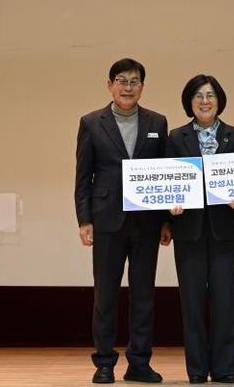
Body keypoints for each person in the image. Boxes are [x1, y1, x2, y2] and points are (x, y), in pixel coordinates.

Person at [74, 58, 168, 384]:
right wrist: (84, 219)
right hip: (106, 221)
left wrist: (166, 221)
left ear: (142, 86)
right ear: (110, 85)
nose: (128, 87)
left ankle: (139, 363)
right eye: (122, 81)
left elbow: (164, 174)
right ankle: (104, 363)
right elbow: (83, 176)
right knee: (106, 296)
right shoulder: (91, 123)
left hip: (147, 223)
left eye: (134, 81)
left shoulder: (157, 122)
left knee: (143, 297)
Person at [160, 74, 234, 384]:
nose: (205, 101)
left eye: (210, 95)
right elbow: (168, 181)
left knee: (225, 302)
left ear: (219, 100)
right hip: (188, 231)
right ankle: (196, 370)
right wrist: (169, 211)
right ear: (189, 102)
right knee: (192, 303)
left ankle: (224, 369)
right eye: (198, 96)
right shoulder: (175, 137)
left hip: (225, 231)